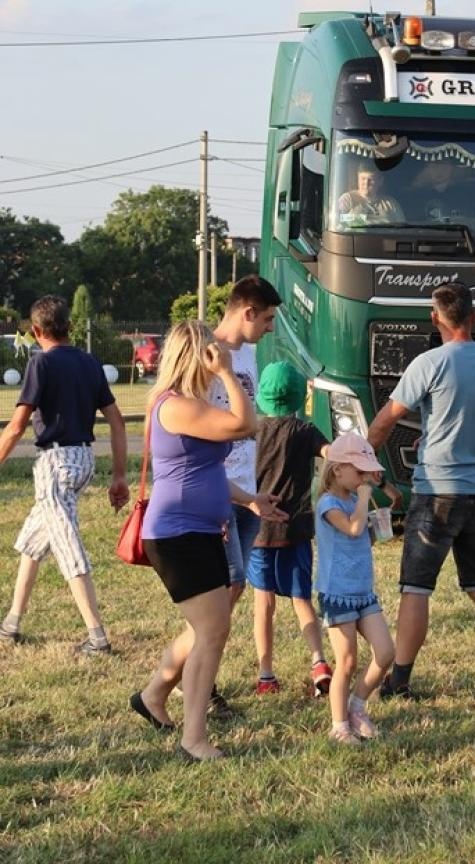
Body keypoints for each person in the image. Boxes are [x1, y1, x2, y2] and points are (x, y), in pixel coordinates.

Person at [132, 320, 286, 763]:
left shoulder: (191, 406)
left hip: (199, 532)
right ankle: (193, 737)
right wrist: (226, 375)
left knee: (209, 630)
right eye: (212, 352)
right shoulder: (176, 406)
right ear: (196, 355)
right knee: (212, 631)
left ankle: (157, 697)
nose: (220, 355)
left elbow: (206, 471)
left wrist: (251, 500)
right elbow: (246, 424)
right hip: (177, 535)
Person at [368, 281, 475, 702]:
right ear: (473, 317)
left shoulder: (428, 363)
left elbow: (386, 421)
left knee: (416, 588)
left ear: (435, 318)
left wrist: (361, 463)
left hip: (436, 491)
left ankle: (399, 680)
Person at [0, 295, 129, 654]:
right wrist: (119, 475)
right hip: (83, 459)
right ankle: (10, 624)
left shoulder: (40, 363)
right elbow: (117, 423)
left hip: (54, 464)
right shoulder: (89, 363)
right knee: (32, 542)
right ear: (70, 326)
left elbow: (16, 427)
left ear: (36, 330)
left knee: (68, 547)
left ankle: (97, 637)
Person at [205, 274, 283, 718]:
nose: (270, 328)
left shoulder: (249, 352)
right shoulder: (207, 355)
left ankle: (194, 677)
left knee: (231, 592)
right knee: (224, 591)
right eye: (267, 319)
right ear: (246, 312)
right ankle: (193, 680)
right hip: (219, 493)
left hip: (249, 493)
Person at [245, 360, 333, 699]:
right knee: (301, 599)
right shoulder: (305, 431)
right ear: (298, 395)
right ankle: (319, 662)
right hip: (296, 529)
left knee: (263, 603)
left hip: (259, 530)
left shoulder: (253, 430)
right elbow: (330, 454)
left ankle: (266, 675)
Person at [315, 432, 395, 744]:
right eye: (360, 473)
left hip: (363, 591)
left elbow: (364, 535)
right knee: (346, 661)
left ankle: (357, 705)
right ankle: (339, 725)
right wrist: (363, 501)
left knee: (386, 651)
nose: (365, 479)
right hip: (337, 593)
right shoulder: (329, 503)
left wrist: (377, 525)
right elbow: (351, 528)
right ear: (338, 470)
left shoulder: (352, 500)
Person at [337, 166, 405, 224]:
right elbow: (338, 223)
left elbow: (402, 228)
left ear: (380, 181)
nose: (366, 184)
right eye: (363, 179)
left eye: (371, 179)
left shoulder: (390, 204)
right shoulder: (347, 200)